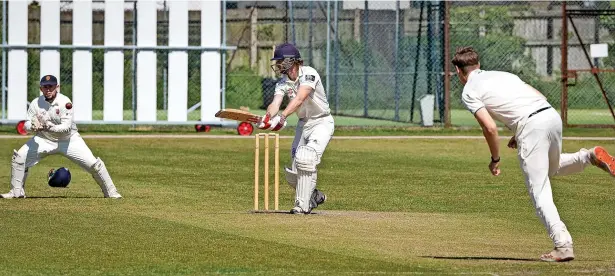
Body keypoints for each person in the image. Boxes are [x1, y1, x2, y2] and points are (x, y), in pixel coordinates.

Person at [453, 47, 615, 262]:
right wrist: (519, 131)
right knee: (552, 169)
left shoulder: (468, 91)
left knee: (539, 190)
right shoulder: (504, 75)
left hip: (531, 125)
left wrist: (495, 159)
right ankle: (589, 156)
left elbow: (490, 128)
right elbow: (540, 95)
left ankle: (563, 245)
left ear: (458, 71)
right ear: (478, 65)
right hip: (549, 115)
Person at [1, 75, 122, 199]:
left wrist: (48, 127)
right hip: (44, 139)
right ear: (41, 88)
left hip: (69, 140)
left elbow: (66, 127)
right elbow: (25, 124)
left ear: (57, 87)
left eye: (51, 86)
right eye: (45, 87)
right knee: (19, 158)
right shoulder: (35, 103)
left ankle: (111, 193)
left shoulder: (65, 102)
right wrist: (32, 126)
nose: (48, 89)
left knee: (94, 165)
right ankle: (16, 192)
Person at [256, 43, 334, 214]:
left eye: (280, 61)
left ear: (291, 61)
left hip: (321, 122)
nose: (277, 66)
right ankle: (314, 195)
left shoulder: (309, 74)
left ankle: (302, 205)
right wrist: (268, 117)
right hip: (303, 124)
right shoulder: (283, 83)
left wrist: (282, 117)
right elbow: (275, 103)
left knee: (306, 158)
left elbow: (299, 99)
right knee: (293, 174)